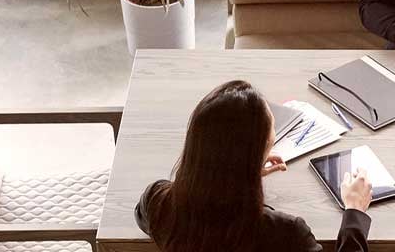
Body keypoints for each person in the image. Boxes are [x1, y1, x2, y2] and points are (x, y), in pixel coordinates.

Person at [135, 80, 374, 251]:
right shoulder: (286, 234)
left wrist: (230, 175)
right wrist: (354, 213)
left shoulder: (157, 202)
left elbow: (148, 216)